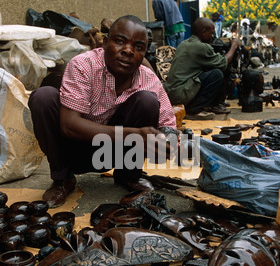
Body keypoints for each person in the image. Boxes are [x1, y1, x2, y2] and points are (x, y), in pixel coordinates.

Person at [28, 15, 177, 208]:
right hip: (72, 150)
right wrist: (134, 134)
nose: (128, 51)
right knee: (43, 97)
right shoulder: (83, 65)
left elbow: (168, 125)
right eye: (119, 41)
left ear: (144, 54)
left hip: (110, 153)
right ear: (105, 43)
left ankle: (128, 175)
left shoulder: (148, 78)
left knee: (148, 100)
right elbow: (68, 126)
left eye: (138, 47)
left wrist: (169, 143)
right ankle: (62, 179)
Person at [164, 17, 239, 120]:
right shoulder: (201, 47)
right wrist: (234, 46)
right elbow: (223, 63)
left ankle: (207, 105)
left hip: (172, 93)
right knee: (217, 74)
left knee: (209, 72)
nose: (212, 36)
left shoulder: (184, 44)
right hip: (180, 95)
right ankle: (194, 110)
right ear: (203, 32)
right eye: (211, 33)